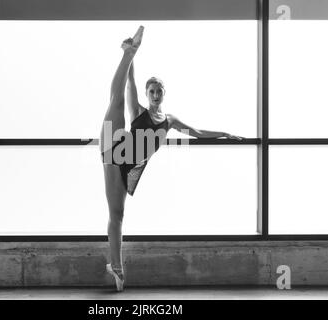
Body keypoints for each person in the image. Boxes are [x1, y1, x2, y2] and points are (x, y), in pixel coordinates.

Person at [100, 26, 242, 291]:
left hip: (129, 165)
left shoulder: (170, 120)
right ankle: (128, 52)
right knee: (116, 100)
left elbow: (197, 132)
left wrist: (223, 133)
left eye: (159, 90)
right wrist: (130, 59)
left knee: (117, 215)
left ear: (164, 93)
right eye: (151, 91)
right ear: (147, 94)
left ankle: (117, 270)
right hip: (115, 147)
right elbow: (129, 83)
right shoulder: (138, 110)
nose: (155, 94)